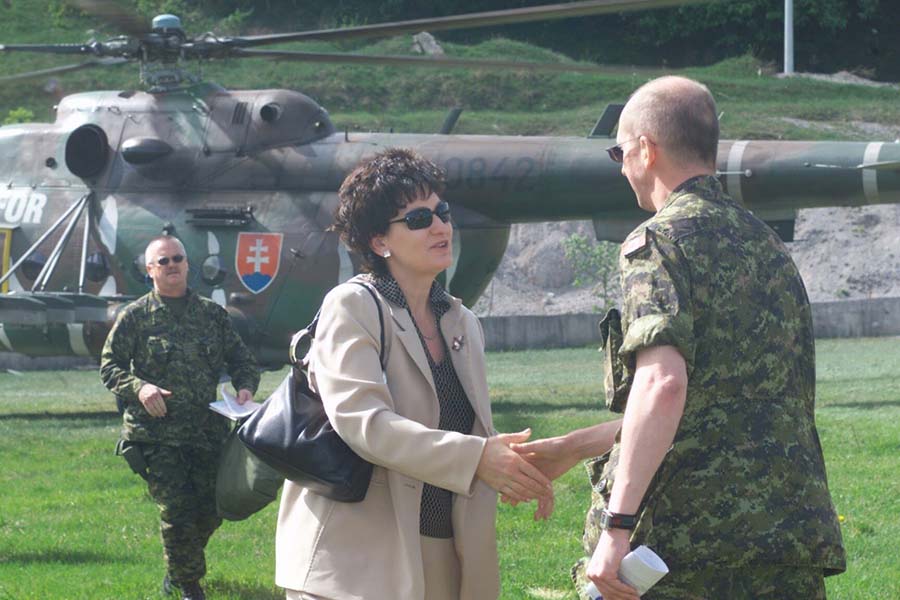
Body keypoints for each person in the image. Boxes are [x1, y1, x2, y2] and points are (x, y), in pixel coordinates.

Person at [512, 76, 846, 599]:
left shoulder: (658, 242)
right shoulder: (767, 245)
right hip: (787, 535)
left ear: (646, 149)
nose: (621, 166)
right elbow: (719, 403)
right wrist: (576, 445)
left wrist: (616, 529)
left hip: (684, 545)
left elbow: (664, 386)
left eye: (618, 152)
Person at [275, 148, 553, 600]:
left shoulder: (461, 321)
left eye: (442, 212)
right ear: (378, 240)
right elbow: (363, 423)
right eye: (419, 219)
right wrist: (477, 458)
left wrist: (519, 471)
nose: (441, 226)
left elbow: (468, 431)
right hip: (357, 564)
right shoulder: (353, 305)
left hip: (445, 555)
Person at [100, 235, 260, 600]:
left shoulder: (212, 315)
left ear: (188, 265)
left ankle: (178, 572)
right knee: (176, 511)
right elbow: (109, 367)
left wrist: (245, 388)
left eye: (177, 258)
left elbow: (243, 361)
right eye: (163, 261)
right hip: (156, 435)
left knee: (210, 510)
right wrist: (140, 388)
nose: (172, 265)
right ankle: (188, 586)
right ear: (150, 271)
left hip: (206, 432)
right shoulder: (136, 316)